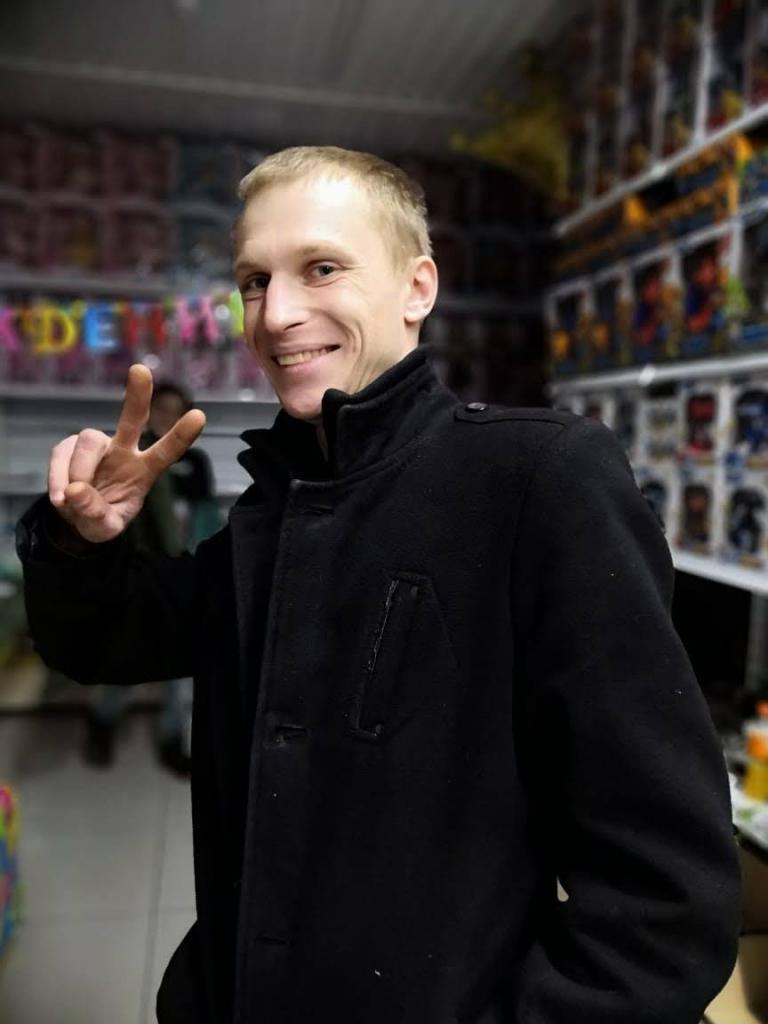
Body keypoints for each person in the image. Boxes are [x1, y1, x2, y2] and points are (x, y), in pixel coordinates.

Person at [18, 147, 739, 1024]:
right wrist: (81, 541)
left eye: (321, 268)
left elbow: (665, 899)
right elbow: (108, 641)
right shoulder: (275, 504)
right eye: (254, 282)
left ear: (416, 288)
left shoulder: (538, 478)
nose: (277, 314)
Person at [82, 380, 219, 775]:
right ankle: (101, 724)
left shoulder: (197, 461)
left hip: (182, 579)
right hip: (138, 580)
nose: (167, 417)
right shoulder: (127, 457)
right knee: (129, 661)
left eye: (176, 411)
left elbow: (205, 517)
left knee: (181, 670)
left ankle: (172, 740)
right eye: (160, 409)